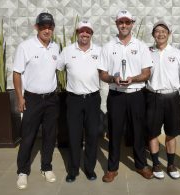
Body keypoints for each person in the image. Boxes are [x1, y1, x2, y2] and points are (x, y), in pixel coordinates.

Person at [98, 9, 153, 182]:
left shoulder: (141, 46)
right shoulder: (108, 47)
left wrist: (133, 79)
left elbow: (146, 73)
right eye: (121, 22)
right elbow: (102, 74)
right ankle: (112, 168)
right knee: (114, 132)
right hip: (116, 95)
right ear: (116, 24)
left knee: (138, 132)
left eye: (127, 22)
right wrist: (113, 78)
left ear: (132, 24)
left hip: (136, 95)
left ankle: (141, 165)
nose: (124, 25)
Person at [13, 12, 60, 189]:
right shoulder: (25, 47)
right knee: (28, 137)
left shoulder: (56, 47)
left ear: (53, 28)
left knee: (50, 135)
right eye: (43, 26)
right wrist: (20, 98)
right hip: (32, 99)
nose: (46, 30)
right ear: (36, 27)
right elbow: (16, 73)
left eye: (50, 27)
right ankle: (22, 171)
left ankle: (46, 167)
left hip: (51, 99)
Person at [57, 20, 101, 182]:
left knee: (92, 135)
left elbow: (106, 71)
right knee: (74, 136)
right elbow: (56, 68)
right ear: (77, 33)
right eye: (82, 31)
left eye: (88, 31)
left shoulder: (99, 51)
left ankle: (89, 169)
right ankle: (73, 170)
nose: (85, 34)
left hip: (92, 99)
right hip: (73, 100)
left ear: (91, 34)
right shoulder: (67, 51)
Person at [146, 21, 180, 179]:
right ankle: (155, 164)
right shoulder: (147, 52)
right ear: (153, 34)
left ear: (169, 33)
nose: (160, 34)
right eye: (157, 31)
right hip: (153, 96)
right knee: (153, 133)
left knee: (171, 133)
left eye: (164, 31)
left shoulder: (177, 53)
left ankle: (171, 164)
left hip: (172, 97)